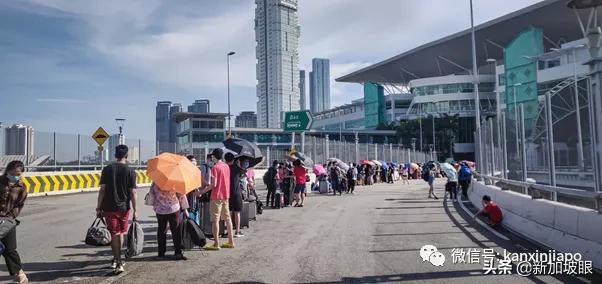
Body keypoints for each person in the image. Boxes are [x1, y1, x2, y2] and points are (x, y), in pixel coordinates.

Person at [96, 145, 137, 275]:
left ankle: (116, 259)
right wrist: (136, 210)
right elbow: (133, 192)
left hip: (108, 207)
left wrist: (98, 207)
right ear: (126, 155)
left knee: (114, 233)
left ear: (115, 155)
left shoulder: (107, 169)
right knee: (121, 232)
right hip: (124, 208)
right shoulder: (131, 171)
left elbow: (102, 190)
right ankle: (119, 260)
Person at [197, 148, 235, 250]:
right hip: (226, 195)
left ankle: (216, 243)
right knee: (227, 219)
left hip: (216, 196)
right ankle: (231, 241)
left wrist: (201, 192)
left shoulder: (215, 168)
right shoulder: (226, 166)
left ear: (213, 156)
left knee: (215, 220)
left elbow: (213, 185)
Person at [0, 161, 28, 284]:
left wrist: (11, 217)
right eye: (12, 173)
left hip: (8, 221)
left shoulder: (22, 188)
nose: (15, 175)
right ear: (7, 171)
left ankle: (19, 274)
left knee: (10, 250)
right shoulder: (0, 181)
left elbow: (19, 205)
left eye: (18, 174)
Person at [149, 182, 189, 260]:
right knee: (176, 231)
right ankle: (178, 252)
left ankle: (161, 254)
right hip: (173, 209)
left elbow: (151, 195)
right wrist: (185, 208)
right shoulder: (175, 182)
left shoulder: (156, 182)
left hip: (160, 210)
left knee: (161, 231)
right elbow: (181, 195)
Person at [225, 153, 245, 238]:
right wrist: (239, 164)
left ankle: (227, 231)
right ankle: (237, 231)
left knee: (228, 213)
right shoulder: (237, 168)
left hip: (227, 193)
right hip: (236, 193)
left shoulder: (224, 168)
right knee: (237, 213)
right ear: (233, 160)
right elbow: (244, 173)